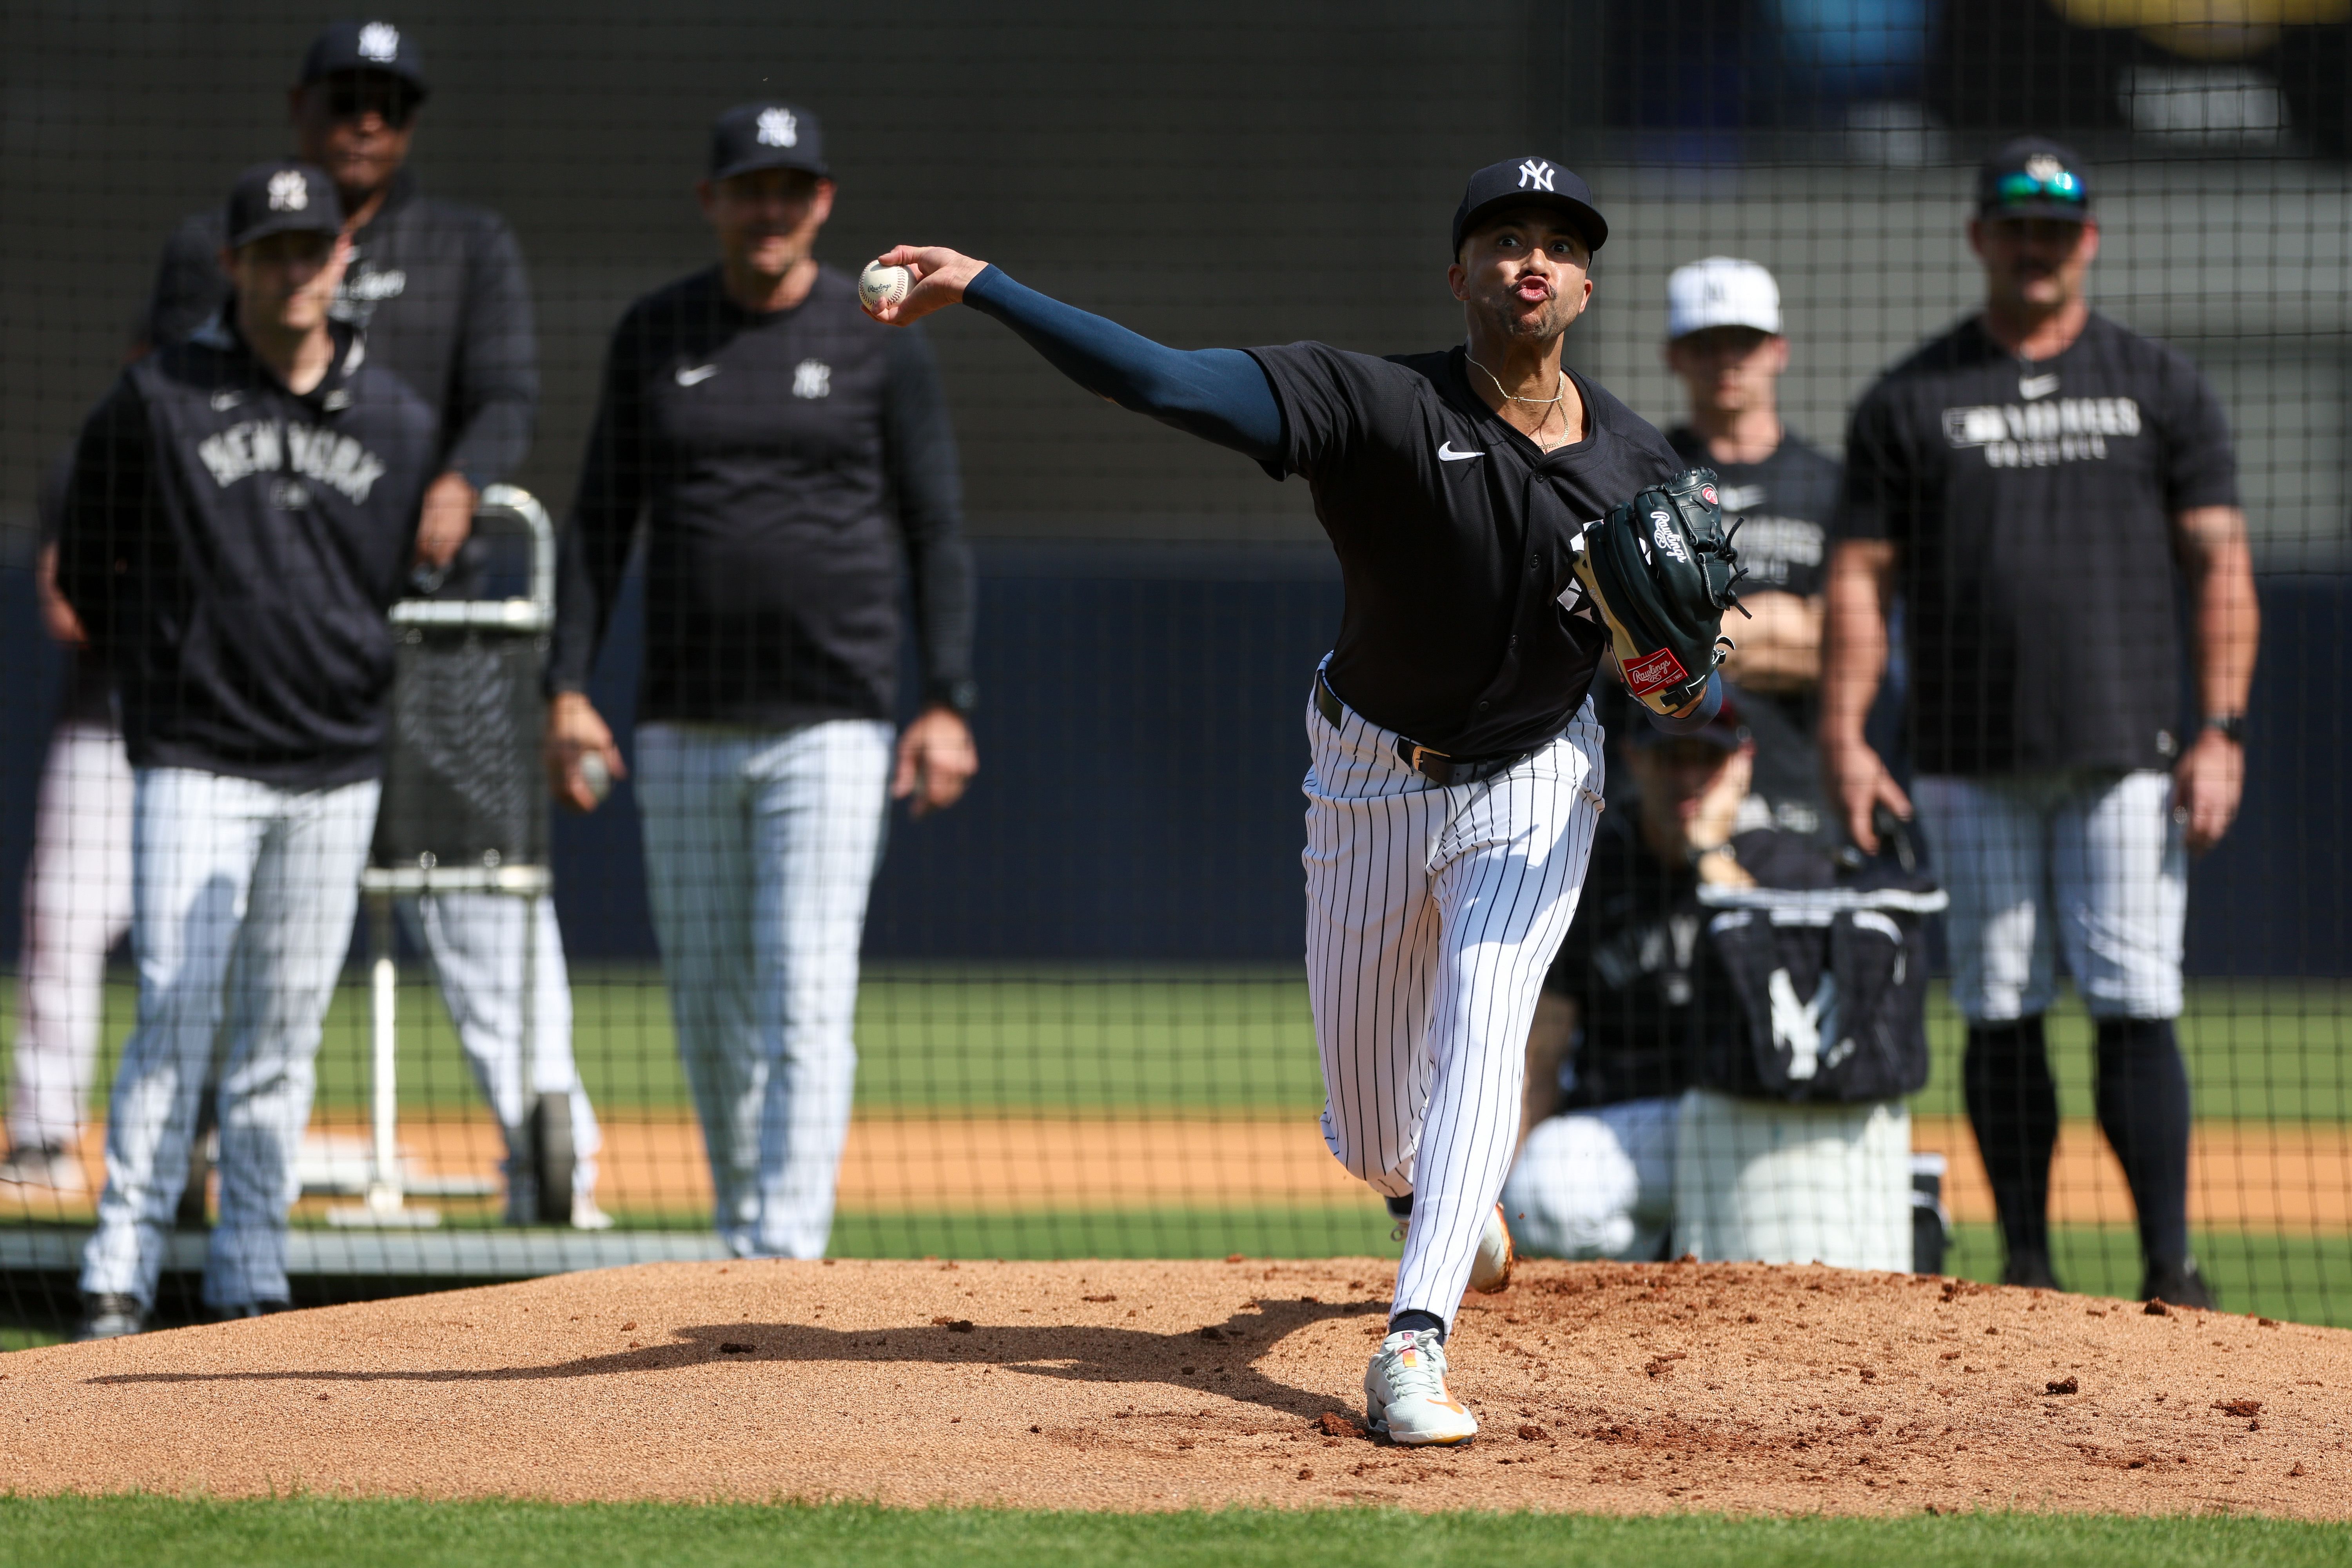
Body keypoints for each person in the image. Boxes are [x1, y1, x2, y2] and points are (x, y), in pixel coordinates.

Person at [863, 154, 1728, 1445]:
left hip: (1541, 779)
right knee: (1377, 1124)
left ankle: (1414, 1345)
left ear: (1587, 284)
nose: (1529, 258)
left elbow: (1685, 691)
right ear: (1459, 276)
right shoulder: (1372, 400)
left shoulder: (1638, 465)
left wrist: (1675, 681)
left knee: (1491, 1019)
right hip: (1373, 779)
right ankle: (1424, 1196)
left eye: (1556, 240)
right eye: (1502, 238)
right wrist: (991, 286)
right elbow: (1163, 380)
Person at [138, 20, 604, 1227]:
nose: (364, 120)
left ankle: (551, 1164)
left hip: (441, 633)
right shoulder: (216, 244)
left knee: (479, 883)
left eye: (386, 103)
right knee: (228, 917)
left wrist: (456, 477)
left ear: (409, 121)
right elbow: (150, 404)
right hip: (260, 651)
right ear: (300, 107)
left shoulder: (466, 244)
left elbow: (507, 393)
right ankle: (208, 1171)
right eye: (343, 98)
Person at [1821, 137, 2259, 1307]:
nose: (2033, 247)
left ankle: (2169, 1264)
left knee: (2133, 997)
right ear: (1978, 236)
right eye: (2013, 225)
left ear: (2087, 242)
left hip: (2124, 753)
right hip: (1965, 757)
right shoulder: (1912, 395)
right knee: (1998, 1003)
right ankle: (2024, 1263)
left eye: (2054, 229)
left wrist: (2219, 727)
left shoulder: (2156, 383)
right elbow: (1859, 577)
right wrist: (1847, 734)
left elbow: (2220, 560)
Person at [545, 103, 978, 1262]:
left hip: (831, 724)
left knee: (804, 988)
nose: (771, 207)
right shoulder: (656, 331)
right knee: (706, 998)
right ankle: (744, 1218)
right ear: (713, 201)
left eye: (792, 188)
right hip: (682, 724)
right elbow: (597, 523)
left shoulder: (880, 333)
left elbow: (935, 528)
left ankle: (783, 1242)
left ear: (823, 201)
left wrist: (946, 699)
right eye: (750, 187)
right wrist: (565, 685)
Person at [60, 161, 439, 1337]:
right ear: (233, 266)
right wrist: (166, 679)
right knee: (175, 1008)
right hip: (198, 759)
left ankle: (250, 1273)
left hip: (333, 764)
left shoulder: (399, 416)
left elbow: (405, 581)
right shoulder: (158, 398)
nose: (292, 268)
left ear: (342, 261)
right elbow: (87, 565)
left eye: (310, 248)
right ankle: (119, 1265)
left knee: (282, 1032)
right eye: (269, 250)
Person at [0, 459, 131, 1198]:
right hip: (104, 736)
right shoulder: (90, 468)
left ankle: (217, 1139)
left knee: (225, 944)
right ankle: (45, 1132)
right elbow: (67, 608)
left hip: (221, 741)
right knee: (59, 926)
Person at [1660, 257, 1839, 738]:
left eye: (1744, 341)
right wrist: (1783, 621)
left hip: (1799, 775)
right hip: (1672, 774)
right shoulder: (1641, 480)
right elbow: (1621, 652)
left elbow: (1846, 648)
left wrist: (1697, 641)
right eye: (1704, 344)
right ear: (1673, 354)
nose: (1725, 360)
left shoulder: (1833, 485)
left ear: (1779, 350)